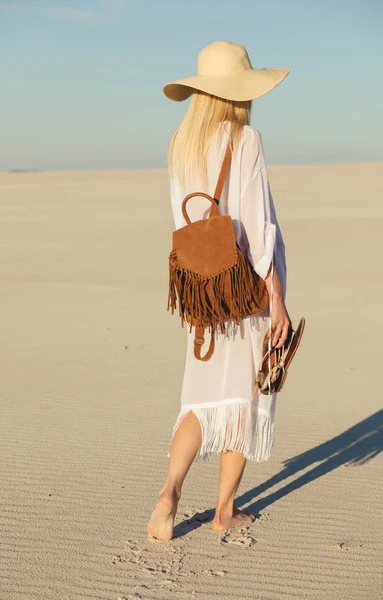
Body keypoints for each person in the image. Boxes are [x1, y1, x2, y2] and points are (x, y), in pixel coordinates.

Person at [147, 41, 291, 541]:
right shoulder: (243, 138)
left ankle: (169, 492)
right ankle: (224, 512)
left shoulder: (182, 142)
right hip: (244, 289)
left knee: (200, 400)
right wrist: (276, 297)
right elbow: (256, 225)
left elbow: (183, 220)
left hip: (204, 291)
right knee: (245, 400)